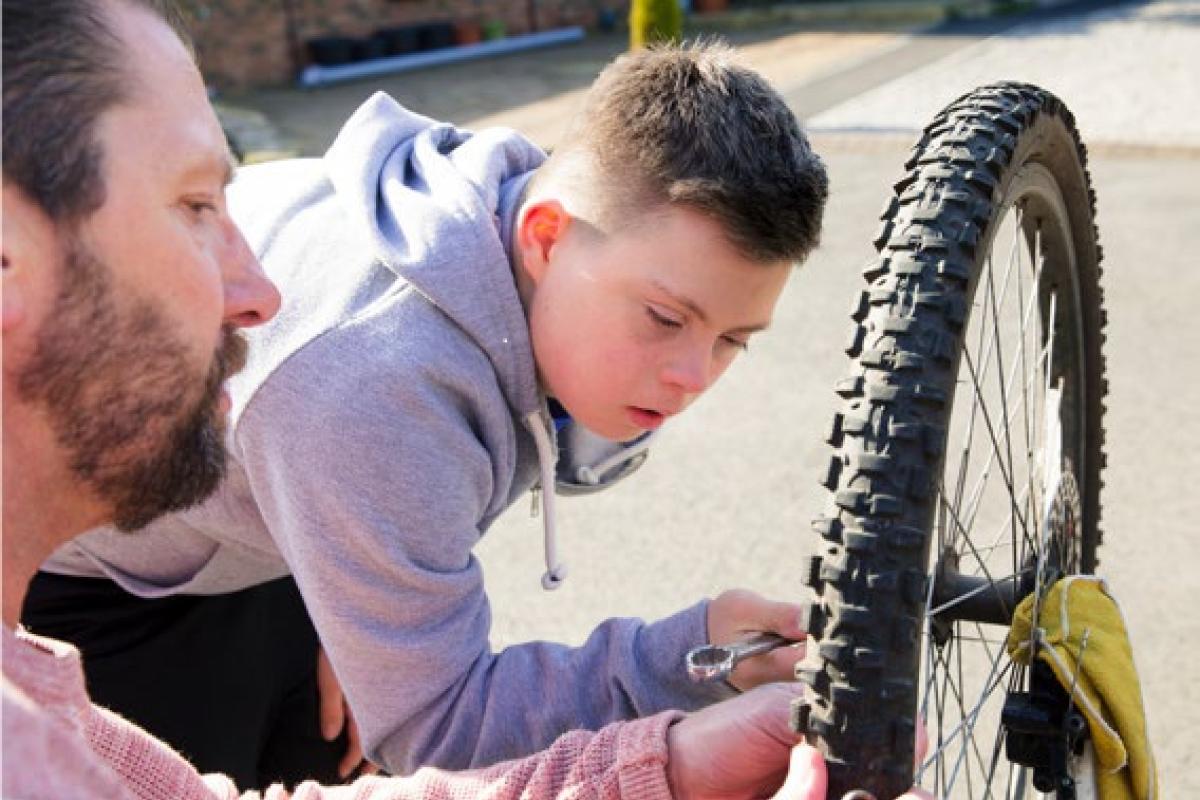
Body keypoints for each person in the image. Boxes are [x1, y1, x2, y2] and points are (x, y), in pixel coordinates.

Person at [0, 2, 935, 799]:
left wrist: (355, 582)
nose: (695, 378)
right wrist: (668, 668)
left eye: (733, 340)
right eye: (664, 318)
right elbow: (437, 730)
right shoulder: (369, 383)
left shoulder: (497, 222)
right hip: (107, 579)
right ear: (543, 236)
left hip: (263, 508)